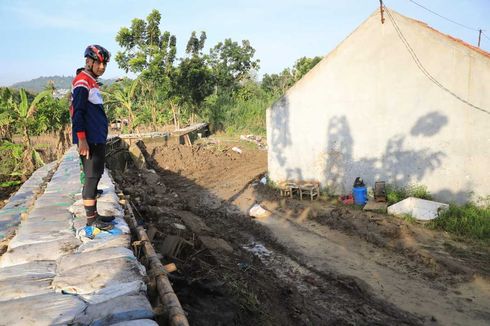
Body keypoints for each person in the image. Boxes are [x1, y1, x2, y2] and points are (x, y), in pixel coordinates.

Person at [70, 45, 114, 231]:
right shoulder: (82, 81)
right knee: (91, 177)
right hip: (90, 139)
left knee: (95, 177)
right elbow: (77, 112)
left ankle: (94, 216)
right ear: (88, 61)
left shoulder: (91, 81)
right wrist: (82, 139)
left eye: (104, 64)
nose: (102, 67)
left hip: (96, 137)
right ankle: (90, 220)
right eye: (98, 63)